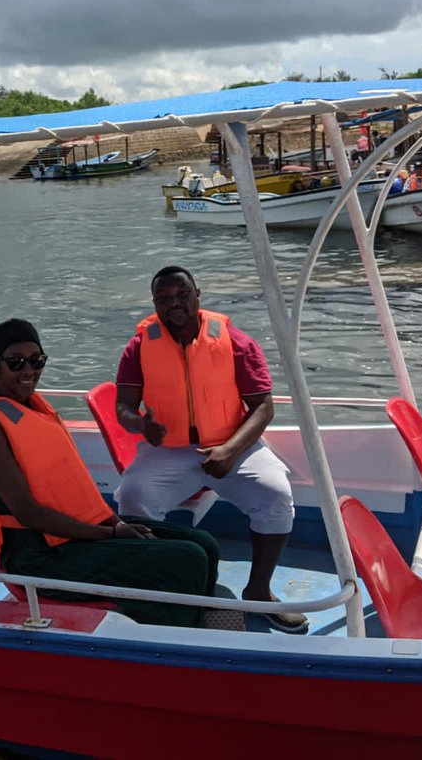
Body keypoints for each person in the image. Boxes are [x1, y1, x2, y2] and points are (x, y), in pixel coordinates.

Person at [0, 319, 221, 628]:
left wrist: (116, 522)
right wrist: (111, 533)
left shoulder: (30, 408)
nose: (28, 371)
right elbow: (27, 513)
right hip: (37, 556)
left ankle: (197, 622)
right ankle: (173, 640)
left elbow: (75, 488)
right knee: (186, 559)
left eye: (36, 360)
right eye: (15, 362)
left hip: (74, 533)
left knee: (204, 544)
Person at [112, 266, 308, 634]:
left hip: (233, 442)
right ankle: (161, 586)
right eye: (164, 298)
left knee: (277, 494)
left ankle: (260, 591)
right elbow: (123, 406)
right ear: (154, 303)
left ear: (198, 294)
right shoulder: (139, 346)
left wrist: (231, 451)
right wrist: (140, 424)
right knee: (134, 497)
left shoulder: (234, 341)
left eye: (182, 295)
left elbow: (263, 407)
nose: (175, 304)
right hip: (168, 449)